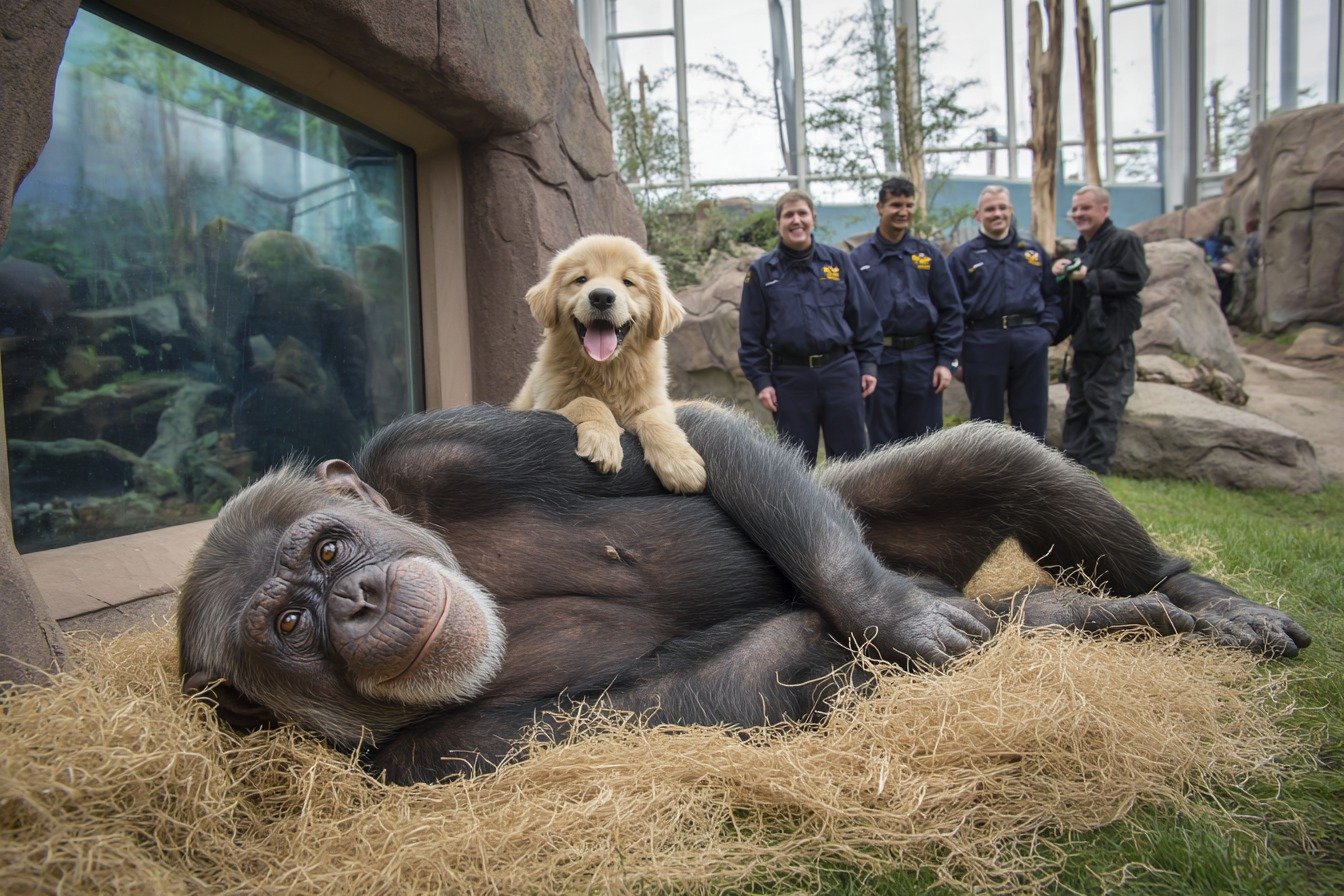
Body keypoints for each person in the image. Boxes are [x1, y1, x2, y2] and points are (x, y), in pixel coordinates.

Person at [738, 190, 882, 465]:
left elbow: (864, 317)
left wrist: (869, 366)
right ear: (778, 223)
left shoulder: (838, 262)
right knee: (796, 466)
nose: (796, 220)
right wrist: (762, 381)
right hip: (791, 378)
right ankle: (799, 510)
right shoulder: (762, 272)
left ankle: (853, 510)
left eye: (802, 213)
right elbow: (750, 335)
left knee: (852, 462)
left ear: (813, 219)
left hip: (841, 372)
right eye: (788, 215)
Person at [849, 177, 963, 447]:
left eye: (909, 205)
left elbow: (951, 310)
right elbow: (851, 316)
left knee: (925, 444)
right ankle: (885, 491)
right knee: (882, 444)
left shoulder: (928, 255)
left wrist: (946, 362)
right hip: (879, 361)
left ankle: (928, 491)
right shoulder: (859, 259)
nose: (903, 211)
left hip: (923, 360)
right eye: (896, 205)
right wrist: (862, 365)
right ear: (880, 207)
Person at [947, 185, 1061, 440]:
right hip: (982, 342)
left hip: (1029, 341)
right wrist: (954, 357)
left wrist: (1047, 332)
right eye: (990, 209)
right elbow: (950, 311)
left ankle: (1033, 478)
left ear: (1011, 211)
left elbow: (1052, 296)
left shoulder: (1032, 252)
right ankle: (987, 479)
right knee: (986, 423)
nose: (997, 213)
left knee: (1032, 417)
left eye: (1002, 207)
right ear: (978, 215)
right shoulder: (962, 257)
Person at [1052, 185, 1150, 475]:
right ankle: (1071, 476)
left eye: (1086, 207)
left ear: (1104, 209)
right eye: (1076, 209)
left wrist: (1089, 277)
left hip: (1112, 343)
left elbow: (1134, 280)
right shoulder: (1083, 248)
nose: (1079, 214)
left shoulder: (1124, 240)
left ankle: (1095, 475)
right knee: (1077, 408)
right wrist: (1063, 269)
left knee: (1104, 410)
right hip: (1085, 343)